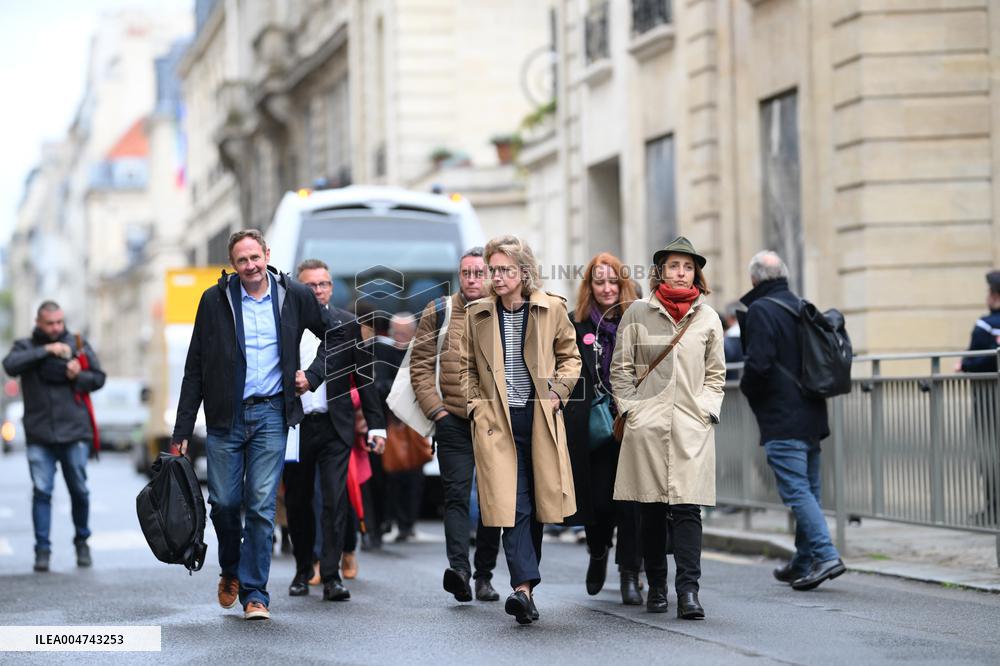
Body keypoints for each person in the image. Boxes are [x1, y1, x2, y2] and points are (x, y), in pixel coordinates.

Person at [171, 230, 366, 621]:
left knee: (261, 506)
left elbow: (339, 332)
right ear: (233, 264)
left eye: (255, 258)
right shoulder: (214, 300)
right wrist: (182, 431)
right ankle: (230, 569)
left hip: (271, 414)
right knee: (225, 504)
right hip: (225, 418)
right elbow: (195, 366)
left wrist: (314, 375)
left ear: (267, 255)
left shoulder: (293, 294)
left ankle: (255, 594)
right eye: (242, 260)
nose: (251, 266)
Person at [460, 234, 581, 625]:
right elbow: (465, 368)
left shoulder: (551, 308)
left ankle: (525, 590)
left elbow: (571, 357)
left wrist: (557, 394)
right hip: (497, 422)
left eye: (505, 270)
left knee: (540, 506)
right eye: (493, 270)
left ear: (524, 272)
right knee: (514, 506)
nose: (496, 277)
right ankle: (523, 589)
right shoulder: (477, 314)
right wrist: (477, 406)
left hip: (540, 418)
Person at [611, 236, 725, 620]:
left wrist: (706, 413)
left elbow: (716, 375)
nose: (681, 273)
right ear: (660, 271)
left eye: (688, 267)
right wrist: (633, 412)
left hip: (691, 428)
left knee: (689, 509)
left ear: (696, 274)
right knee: (652, 510)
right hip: (647, 428)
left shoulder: (708, 318)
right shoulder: (637, 313)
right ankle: (657, 587)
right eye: (674, 266)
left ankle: (689, 592)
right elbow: (620, 370)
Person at [739, 250, 845, 591]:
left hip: (782, 416)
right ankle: (803, 559)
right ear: (783, 275)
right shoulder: (801, 305)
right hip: (812, 411)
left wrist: (748, 390)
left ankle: (825, 555)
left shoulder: (761, 310)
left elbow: (759, 365)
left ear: (754, 279)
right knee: (809, 489)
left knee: (797, 491)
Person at [283, 259, 386, 602]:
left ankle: (331, 575)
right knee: (298, 502)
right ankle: (303, 570)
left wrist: (376, 426)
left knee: (334, 499)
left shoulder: (347, 324)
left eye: (323, 284)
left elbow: (365, 379)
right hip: (296, 425)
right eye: (310, 285)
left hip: (335, 425)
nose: (318, 290)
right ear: (298, 290)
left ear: (331, 287)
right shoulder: (285, 324)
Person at [410, 246, 502, 603]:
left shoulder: (503, 310)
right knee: (456, 498)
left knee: (494, 499)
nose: (472, 280)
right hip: (452, 421)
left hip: (493, 422)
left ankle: (484, 576)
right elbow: (419, 365)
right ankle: (460, 572)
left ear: (489, 276)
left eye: (479, 273)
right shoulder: (440, 309)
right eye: (466, 273)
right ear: (459, 275)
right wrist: (437, 412)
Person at [562, 252, 644, 605]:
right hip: (594, 428)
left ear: (623, 284)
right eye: (600, 282)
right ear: (590, 287)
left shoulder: (637, 321)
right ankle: (598, 551)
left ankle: (630, 574)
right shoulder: (575, 324)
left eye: (613, 281)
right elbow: (564, 370)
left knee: (631, 504)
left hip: (633, 424)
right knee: (597, 503)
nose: (607, 288)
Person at [3, 301, 106, 573]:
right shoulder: (26, 347)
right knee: (41, 491)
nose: (56, 327)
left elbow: (98, 378)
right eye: (50, 323)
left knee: (79, 490)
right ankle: (42, 550)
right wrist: (46, 351)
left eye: (59, 322)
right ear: (38, 323)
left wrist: (78, 375)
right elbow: (10, 365)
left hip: (74, 433)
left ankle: (82, 542)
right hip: (39, 435)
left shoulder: (78, 344)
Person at [375, 312, 425, 542]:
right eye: (397, 333)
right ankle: (389, 519)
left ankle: (408, 523)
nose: (401, 337)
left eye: (405, 333)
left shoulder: (420, 352)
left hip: (414, 422)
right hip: (390, 421)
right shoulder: (383, 352)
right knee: (390, 474)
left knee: (414, 475)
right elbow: (379, 385)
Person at [959, 270, 1000, 525]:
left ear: (994, 296)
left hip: (988, 402)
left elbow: (974, 360)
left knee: (988, 453)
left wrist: (964, 365)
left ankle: (994, 507)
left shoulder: (985, 325)